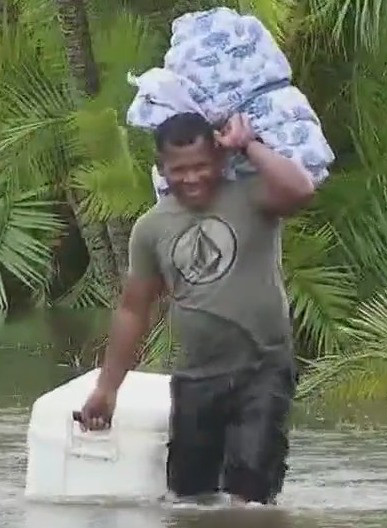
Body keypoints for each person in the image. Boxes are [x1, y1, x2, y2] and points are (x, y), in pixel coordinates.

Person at [78, 111, 315, 505]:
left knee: (251, 493)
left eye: (201, 166)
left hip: (263, 368)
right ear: (161, 168)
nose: (191, 178)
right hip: (195, 378)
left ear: (220, 159)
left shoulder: (253, 197)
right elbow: (133, 310)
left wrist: (248, 144)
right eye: (179, 169)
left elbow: (302, 190)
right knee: (191, 501)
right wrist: (106, 388)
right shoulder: (151, 228)